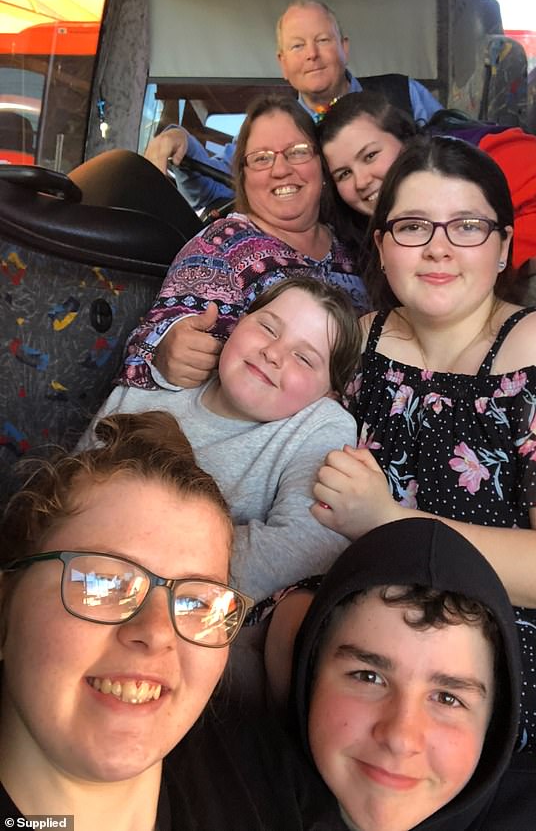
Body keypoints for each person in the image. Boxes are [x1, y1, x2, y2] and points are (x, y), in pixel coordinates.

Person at [309, 135, 536, 767]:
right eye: (411, 226)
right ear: (380, 244)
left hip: (526, 654)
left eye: (467, 226)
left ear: (504, 244)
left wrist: (389, 523)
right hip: (373, 645)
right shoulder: (351, 345)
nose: (438, 248)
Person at [0, 410, 271, 829]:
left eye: (199, 603)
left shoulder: (270, 785)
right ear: (5, 605)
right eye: (104, 583)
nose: (158, 632)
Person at [286, 518, 536, 831]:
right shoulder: (240, 791)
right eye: (368, 677)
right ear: (310, 674)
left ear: (493, 720)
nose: (401, 738)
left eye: (448, 698)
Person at [83, 279, 359, 603]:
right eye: (268, 328)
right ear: (238, 325)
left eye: (304, 358)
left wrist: (145, 575)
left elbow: (306, 544)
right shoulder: (154, 381)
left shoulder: (321, 424)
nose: (273, 353)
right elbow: (67, 490)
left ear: (327, 393)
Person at [118, 95, 369, 391]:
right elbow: (142, 346)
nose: (280, 170)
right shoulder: (220, 246)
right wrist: (164, 350)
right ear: (243, 177)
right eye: (261, 158)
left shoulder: (354, 246)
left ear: (322, 168)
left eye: (298, 152)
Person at [145, 0, 442, 212]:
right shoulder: (277, 128)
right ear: (282, 64)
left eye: (323, 40)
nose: (312, 54)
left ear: (344, 47)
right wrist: (179, 139)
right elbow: (216, 189)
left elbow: (456, 160)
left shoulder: (404, 93)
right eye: (297, 46)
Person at [318, 91, 536, 267]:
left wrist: (479, 264)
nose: (361, 181)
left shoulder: (478, 150)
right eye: (344, 174)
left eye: (370, 156)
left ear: (405, 140)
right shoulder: (366, 239)